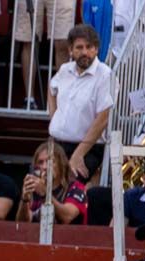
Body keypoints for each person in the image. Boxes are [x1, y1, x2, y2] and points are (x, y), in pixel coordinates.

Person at [47, 24, 113, 185]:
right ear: (70, 50)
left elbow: (103, 119)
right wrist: (54, 118)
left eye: (89, 47)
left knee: (69, 191)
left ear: (96, 49)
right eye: (79, 47)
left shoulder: (105, 75)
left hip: (88, 149)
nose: (84, 52)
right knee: (41, 186)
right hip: (56, 145)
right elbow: (51, 88)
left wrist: (79, 155)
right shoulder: (65, 70)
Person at [15, 139, 87, 225]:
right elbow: (22, 225)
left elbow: (67, 216)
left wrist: (45, 194)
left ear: (61, 163)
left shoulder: (76, 187)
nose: (45, 167)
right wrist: (24, 199)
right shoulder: (35, 189)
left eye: (51, 161)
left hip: (70, 237)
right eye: (40, 162)